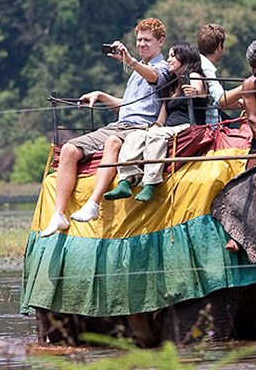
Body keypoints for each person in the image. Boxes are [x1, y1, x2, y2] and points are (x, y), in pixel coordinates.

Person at [40, 18, 169, 237]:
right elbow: (126, 106)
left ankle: (93, 203)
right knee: (70, 149)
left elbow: (155, 78)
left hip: (139, 128)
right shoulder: (137, 70)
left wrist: (131, 62)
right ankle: (59, 214)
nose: (141, 44)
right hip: (119, 124)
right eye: (139, 40)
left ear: (161, 42)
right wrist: (100, 95)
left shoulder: (161, 68)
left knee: (112, 142)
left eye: (147, 40)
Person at [102, 42, 208, 203]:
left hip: (187, 126)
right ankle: (126, 179)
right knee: (135, 136)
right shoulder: (171, 86)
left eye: (173, 56)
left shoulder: (193, 75)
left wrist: (195, 92)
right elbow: (161, 118)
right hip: (169, 127)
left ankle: (150, 182)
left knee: (156, 136)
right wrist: (154, 126)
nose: (168, 60)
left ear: (184, 58)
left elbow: (199, 90)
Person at [196, 24, 227, 125]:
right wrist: (245, 88)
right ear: (219, 46)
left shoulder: (198, 62)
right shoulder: (206, 68)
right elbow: (220, 99)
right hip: (211, 129)